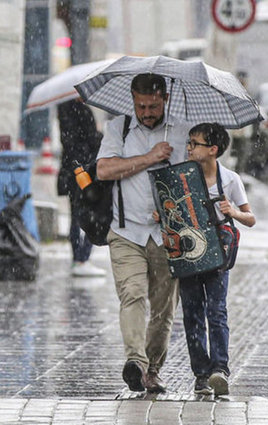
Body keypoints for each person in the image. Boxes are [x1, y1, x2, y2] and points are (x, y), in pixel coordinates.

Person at [96, 73, 192, 393]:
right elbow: (104, 170)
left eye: (153, 106)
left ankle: (152, 369)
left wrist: (172, 208)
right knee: (133, 293)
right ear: (133, 101)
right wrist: (150, 157)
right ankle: (135, 362)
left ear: (165, 98)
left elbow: (194, 179)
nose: (147, 113)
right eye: (141, 106)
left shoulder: (182, 132)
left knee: (164, 308)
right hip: (126, 232)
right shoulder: (119, 128)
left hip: (168, 235)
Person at [177, 122, 256, 396]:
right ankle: (201, 373)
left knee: (217, 311)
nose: (189, 148)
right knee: (192, 313)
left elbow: (251, 218)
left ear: (213, 149)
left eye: (195, 144)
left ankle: (220, 369)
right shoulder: (182, 177)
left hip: (218, 253)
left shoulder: (230, 180)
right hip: (188, 252)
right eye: (189, 143)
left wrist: (232, 212)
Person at [57, 98, 106, 277]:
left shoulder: (63, 109)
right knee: (93, 214)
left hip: (71, 170)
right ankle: (83, 258)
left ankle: (77, 258)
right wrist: (99, 133)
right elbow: (92, 140)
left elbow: (69, 142)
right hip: (84, 171)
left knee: (75, 215)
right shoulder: (80, 110)